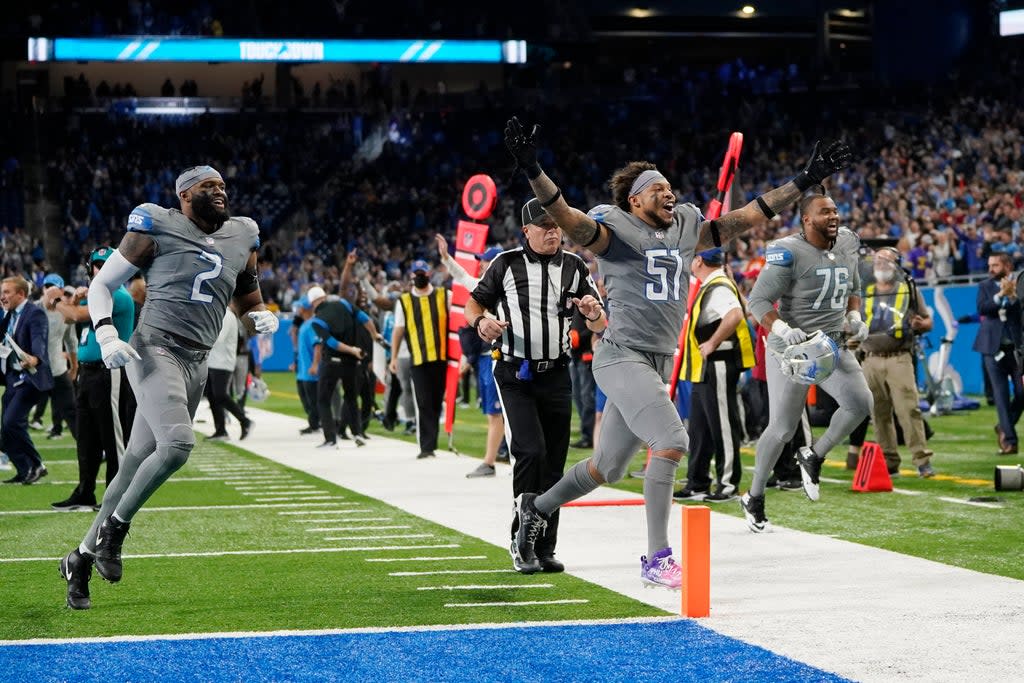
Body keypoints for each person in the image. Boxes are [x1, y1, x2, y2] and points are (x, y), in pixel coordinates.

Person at [502, 116, 851, 586]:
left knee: (608, 467)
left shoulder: (686, 224)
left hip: (658, 358)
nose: (669, 193)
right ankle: (657, 558)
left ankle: (535, 507)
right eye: (657, 188)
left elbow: (750, 214)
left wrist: (805, 181)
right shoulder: (614, 227)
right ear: (634, 199)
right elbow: (568, 217)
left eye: (670, 186)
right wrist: (533, 171)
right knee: (671, 442)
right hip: (621, 353)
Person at [58, 165, 280, 610]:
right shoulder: (156, 223)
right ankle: (114, 532)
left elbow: (246, 294)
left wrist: (258, 314)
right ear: (183, 195)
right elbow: (103, 284)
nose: (220, 191)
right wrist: (104, 333)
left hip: (197, 360)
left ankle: (79, 558)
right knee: (178, 444)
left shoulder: (243, 234)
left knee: (136, 461)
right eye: (208, 186)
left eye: (222, 185)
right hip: (155, 348)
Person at [466, 198, 606, 573]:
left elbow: (598, 323)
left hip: (557, 372)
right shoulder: (505, 263)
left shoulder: (575, 266)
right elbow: (473, 305)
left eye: (557, 224)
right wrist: (482, 324)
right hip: (515, 372)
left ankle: (546, 545)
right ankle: (520, 539)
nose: (553, 231)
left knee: (555, 462)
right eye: (544, 226)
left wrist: (593, 314)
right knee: (530, 451)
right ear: (525, 230)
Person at [742, 190, 873, 533]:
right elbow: (757, 300)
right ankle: (754, 496)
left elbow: (854, 286)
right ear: (806, 219)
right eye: (824, 212)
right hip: (793, 349)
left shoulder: (847, 242)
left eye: (835, 211)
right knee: (783, 428)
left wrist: (856, 315)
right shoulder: (788, 250)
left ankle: (814, 454)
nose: (833, 217)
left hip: (832, 341)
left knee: (860, 403)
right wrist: (782, 328)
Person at [47, 247, 136, 510]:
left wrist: (56, 300)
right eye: (96, 266)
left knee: (113, 437)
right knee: (86, 438)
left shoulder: (118, 296)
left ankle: (116, 495)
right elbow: (71, 317)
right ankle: (85, 491)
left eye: (105, 265)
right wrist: (74, 298)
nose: (100, 270)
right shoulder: (96, 296)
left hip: (110, 372)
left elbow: (74, 316)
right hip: (87, 373)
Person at [675, 249, 755, 502]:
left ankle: (728, 484)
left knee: (722, 424)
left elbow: (734, 315)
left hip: (719, 362)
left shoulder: (718, 285)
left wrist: (711, 343)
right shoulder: (712, 283)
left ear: (699, 260)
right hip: (705, 366)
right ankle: (698, 481)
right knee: (700, 427)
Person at [860, 247, 935, 476]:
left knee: (908, 410)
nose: (881, 265)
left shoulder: (908, 289)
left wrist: (922, 325)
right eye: (878, 261)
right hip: (870, 359)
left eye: (887, 261)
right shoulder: (865, 291)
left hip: (898, 358)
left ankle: (922, 461)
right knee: (878, 415)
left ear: (897, 266)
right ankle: (889, 463)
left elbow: (928, 321)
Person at [436, 236, 505, 478]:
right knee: (494, 413)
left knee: (499, 413)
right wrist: (446, 259)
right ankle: (495, 461)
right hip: (489, 357)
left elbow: (466, 279)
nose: (482, 266)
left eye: (485, 262)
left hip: (500, 357)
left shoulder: (504, 290)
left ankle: (492, 462)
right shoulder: (488, 287)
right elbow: (463, 277)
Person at [389, 259, 451, 459]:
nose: (419, 276)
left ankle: (431, 442)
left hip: (441, 358)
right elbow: (398, 330)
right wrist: (394, 356)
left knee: (435, 401)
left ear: (429, 274)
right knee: (423, 402)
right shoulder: (404, 301)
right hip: (418, 358)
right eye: (416, 274)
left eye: (422, 273)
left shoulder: (443, 295)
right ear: (411, 276)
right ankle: (427, 447)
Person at [308, 285, 383, 449]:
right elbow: (364, 317)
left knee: (323, 400)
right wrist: (374, 334)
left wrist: (351, 350)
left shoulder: (317, 320)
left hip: (332, 362)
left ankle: (330, 439)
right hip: (352, 362)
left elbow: (332, 343)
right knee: (351, 398)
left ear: (312, 303)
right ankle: (357, 433)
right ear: (325, 296)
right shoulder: (344, 304)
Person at [0, 276, 53, 484]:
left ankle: (37, 464)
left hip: (31, 376)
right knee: (6, 429)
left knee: (12, 422)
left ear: (21, 294)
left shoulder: (35, 313)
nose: (2, 296)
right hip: (13, 377)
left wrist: (35, 359)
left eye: (6, 292)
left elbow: (39, 339)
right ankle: (24, 469)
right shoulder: (9, 314)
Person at [974, 252, 1023, 455]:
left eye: (995, 265)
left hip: (1017, 349)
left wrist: (1013, 297)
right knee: (1001, 396)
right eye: (989, 265)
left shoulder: (1020, 284)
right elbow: (982, 308)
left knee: (1021, 392)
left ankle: (1005, 425)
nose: (990, 269)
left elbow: (1020, 310)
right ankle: (1010, 441)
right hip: (991, 348)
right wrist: (1000, 296)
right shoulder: (985, 286)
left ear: (1007, 266)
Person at [37, 274, 78, 441]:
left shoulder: (65, 313)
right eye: (47, 287)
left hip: (58, 369)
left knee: (72, 411)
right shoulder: (32, 310)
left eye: (54, 287)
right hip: (34, 370)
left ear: (61, 291)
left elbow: (71, 340)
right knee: (16, 413)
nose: (50, 290)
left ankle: (91, 449)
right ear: (43, 289)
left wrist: (74, 366)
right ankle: (4, 450)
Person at [204, 306, 252, 441]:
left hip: (222, 362)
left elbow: (218, 339)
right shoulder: (220, 313)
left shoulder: (226, 315)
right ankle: (221, 430)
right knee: (212, 395)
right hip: (213, 361)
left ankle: (244, 420)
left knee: (220, 394)